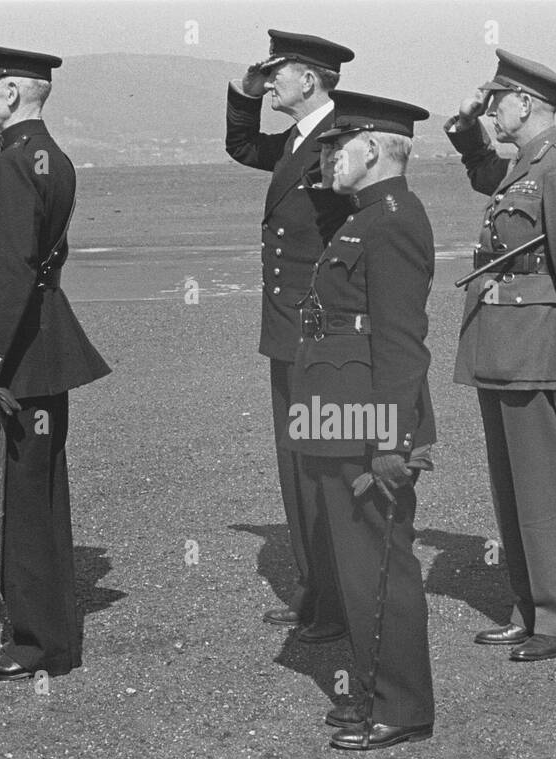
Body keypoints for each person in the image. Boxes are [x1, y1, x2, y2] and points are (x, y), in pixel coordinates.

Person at [0, 42, 110, 681]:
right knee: (37, 494)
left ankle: (37, 644)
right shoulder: (39, 157)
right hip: (37, 343)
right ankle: (51, 637)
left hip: (10, 351)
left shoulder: (16, 164)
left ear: (9, 94)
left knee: (11, 499)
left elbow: (10, 265)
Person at [285, 91, 437, 750]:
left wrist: (390, 440)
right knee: (354, 566)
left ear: (371, 148)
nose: (326, 160)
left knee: (378, 564)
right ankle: (375, 689)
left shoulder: (393, 219)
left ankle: (400, 707)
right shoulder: (363, 216)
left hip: (365, 420)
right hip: (334, 412)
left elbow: (402, 341)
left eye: (337, 147)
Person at [445, 50, 556, 663]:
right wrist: (465, 127)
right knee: (512, 490)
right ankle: (530, 607)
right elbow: (484, 170)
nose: (491, 110)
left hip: (539, 352)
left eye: (495, 102)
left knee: (544, 490)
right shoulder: (524, 166)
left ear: (526, 104)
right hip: (503, 347)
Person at [225, 30, 354, 643]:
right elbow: (243, 143)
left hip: (318, 327)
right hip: (287, 325)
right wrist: (244, 92)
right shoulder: (297, 141)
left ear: (310, 80)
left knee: (323, 463)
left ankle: (336, 600)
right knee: (295, 464)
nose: (269, 79)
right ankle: (315, 589)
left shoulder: (343, 140)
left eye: (277, 72)